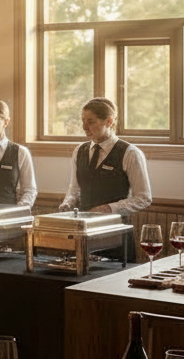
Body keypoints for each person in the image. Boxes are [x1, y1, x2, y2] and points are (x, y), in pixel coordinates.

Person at [58, 96, 152, 260]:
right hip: (84, 233)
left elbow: (144, 198)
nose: (84, 127)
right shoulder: (79, 151)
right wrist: (68, 203)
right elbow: (75, 189)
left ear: (109, 121)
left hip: (115, 234)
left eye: (91, 122)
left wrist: (109, 208)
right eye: (83, 121)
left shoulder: (130, 153)